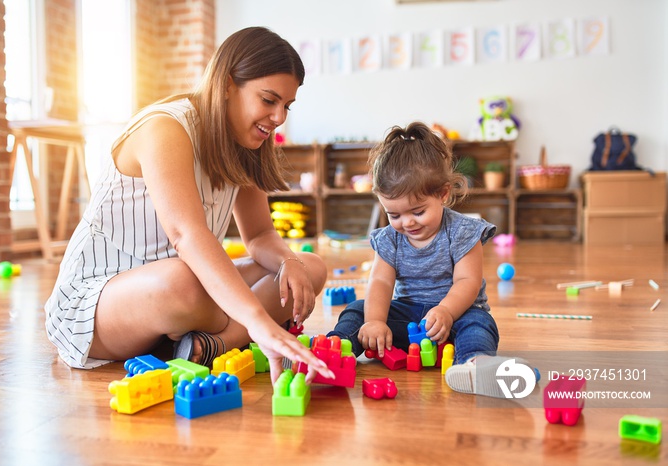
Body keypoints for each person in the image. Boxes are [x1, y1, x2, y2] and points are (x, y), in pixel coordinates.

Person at [44, 27, 333, 384]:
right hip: (98, 304)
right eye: (269, 100)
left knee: (309, 268)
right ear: (228, 85)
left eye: (286, 106)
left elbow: (259, 235)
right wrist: (261, 321)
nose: (279, 118)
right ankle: (238, 332)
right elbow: (187, 235)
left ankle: (212, 344)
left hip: (185, 293)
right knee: (182, 282)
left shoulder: (245, 143)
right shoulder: (165, 128)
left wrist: (289, 262)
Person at [327, 122, 525, 398]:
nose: (406, 222)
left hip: (455, 315)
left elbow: (468, 281)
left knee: (480, 323)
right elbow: (381, 282)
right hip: (407, 317)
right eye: (394, 215)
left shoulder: (463, 232)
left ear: (443, 194)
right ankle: (333, 349)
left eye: (417, 212)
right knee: (357, 309)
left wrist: (446, 311)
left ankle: (474, 363)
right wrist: (374, 321)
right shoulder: (388, 239)